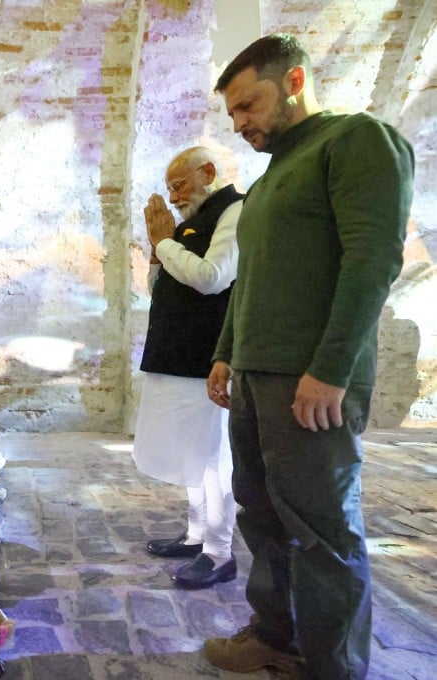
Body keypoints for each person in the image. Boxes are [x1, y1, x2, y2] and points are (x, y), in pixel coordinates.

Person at [204, 34, 414, 680]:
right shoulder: (267, 185)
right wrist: (224, 354)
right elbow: (252, 281)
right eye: (233, 114)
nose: (240, 124)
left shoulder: (355, 141)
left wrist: (330, 370)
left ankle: (335, 668)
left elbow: (372, 261)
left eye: (249, 105)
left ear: (294, 81)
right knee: (261, 512)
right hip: (256, 380)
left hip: (313, 381)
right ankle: (275, 634)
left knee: (322, 529)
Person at [133, 146, 242, 589]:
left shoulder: (234, 212)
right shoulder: (188, 223)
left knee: (215, 456)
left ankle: (219, 553)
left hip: (209, 356)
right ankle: (198, 534)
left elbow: (213, 276)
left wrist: (164, 242)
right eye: (170, 187)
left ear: (208, 173)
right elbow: (162, 287)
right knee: (192, 452)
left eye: (179, 184)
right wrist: (159, 254)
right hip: (178, 354)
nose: (174, 196)